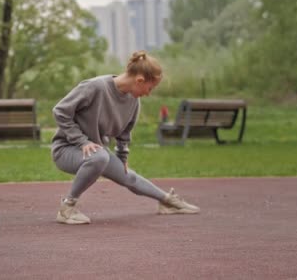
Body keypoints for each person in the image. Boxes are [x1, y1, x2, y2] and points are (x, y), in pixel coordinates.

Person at [51, 50, 200, 224]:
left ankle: (168, 201)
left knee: (128, 176)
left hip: (96, 152)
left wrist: (122, 158)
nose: (148, 93)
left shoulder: (134, 102)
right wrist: (81, 141)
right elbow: (60, 111)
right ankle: (67, 208)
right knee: (100, 156)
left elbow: (124, 135)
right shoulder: (95, 87)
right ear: (139, 80)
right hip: (66, 149)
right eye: (150, 88)